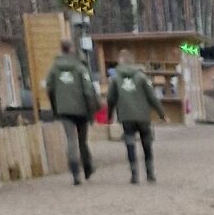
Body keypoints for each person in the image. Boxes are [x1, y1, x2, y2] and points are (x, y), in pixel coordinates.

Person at [43, 47, 100, 186]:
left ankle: (75, 173)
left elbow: (49, 87)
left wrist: (55, 106)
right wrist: (91, 110)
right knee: (82, 140)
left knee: (71, 140)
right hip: (82, 110)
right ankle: (87, 167)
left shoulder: (54, 68)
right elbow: (88, 90)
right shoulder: (81, 68)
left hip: (64, 109)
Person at [106, 52, 162, 185]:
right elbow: (152, 97)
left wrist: (109, 114)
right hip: (143, 116)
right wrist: (161, 113)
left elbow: (110, 98)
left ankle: (134, 174)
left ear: (121, 62)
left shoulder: (115, 78)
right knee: (146, 143)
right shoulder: (142, 77)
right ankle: (150, 173)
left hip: (126, 116)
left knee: (130, 143)